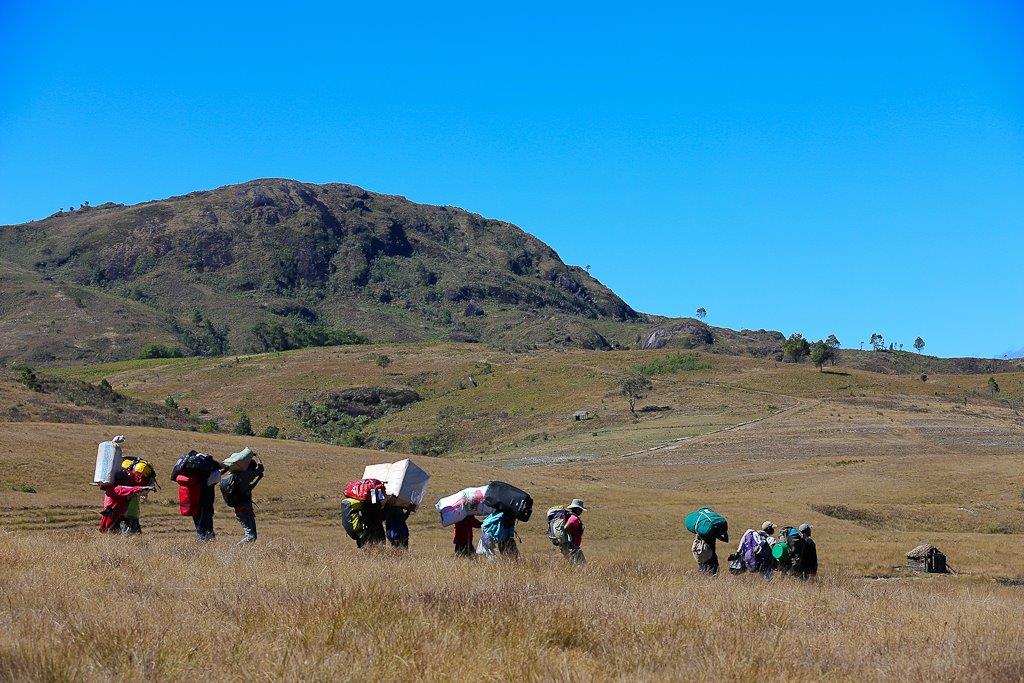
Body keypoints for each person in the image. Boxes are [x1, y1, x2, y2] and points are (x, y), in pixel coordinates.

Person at [220, 448, 264, 544]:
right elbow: (261, 468)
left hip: (239, 508)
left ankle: (241, 551)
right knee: (251, 536)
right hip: (245, 508)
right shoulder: (247, 475)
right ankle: (235, 550)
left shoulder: (233, 476)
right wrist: (256, 456)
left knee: (251, 535)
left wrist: (257, 480)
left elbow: (248, 489)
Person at [562, 499, 587, 564]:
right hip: (573, 547)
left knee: (573, 566)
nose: (581, 511)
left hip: (569, 546)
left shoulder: (570, 516)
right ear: (577, 509)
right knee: (583, 566)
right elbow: (566, 528)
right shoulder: (574, 518)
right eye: (581, 509)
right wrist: (573, 534)